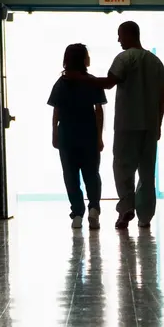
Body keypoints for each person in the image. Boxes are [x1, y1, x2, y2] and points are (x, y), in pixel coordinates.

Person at [67, 21, 164, 230]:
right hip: (149, 126)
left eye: (120, 36)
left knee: (123, 168)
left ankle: (126, 209)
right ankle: (145, 217)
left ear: (129, 35)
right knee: (147, 172)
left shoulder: (124, 58)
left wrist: (81, 77)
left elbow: (109, 83)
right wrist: (159, 123)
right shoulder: (155, 61)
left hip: (127, 123)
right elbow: (162, 96)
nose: (118, 40)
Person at [48, 43, 107, 229]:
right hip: (88, 134)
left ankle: (77, 214)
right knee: (92, 174)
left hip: (67, 135)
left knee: (70, 176)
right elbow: (98, 111)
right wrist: (99, 136)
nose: (89, 58)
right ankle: (94, 209)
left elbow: (56, 111)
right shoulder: (92, 82)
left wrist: (54, 133)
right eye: (87, 55)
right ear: (82, 59)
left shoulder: (61, 83)